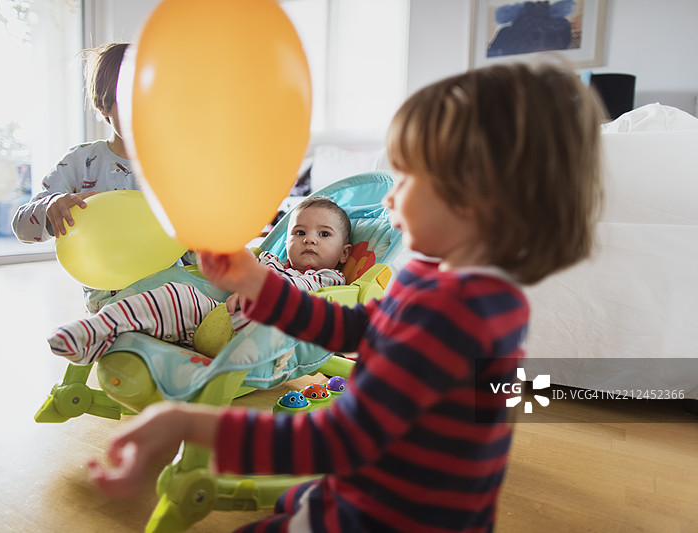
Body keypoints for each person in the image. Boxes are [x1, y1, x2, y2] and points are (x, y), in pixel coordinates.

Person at [87, 62, 605, 532]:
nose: (388, 197)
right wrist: (257, 285)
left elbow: (338, 440)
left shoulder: (456, 318)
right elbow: (355, 328)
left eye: (407, 178)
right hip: (390, 486)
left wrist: (187, 421)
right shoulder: (447, 280)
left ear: (478, 201)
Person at [48, 196, 353, 364]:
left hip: (263, 332)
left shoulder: (328, 278)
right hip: (213, 318)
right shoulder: (269, 260)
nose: (309, 240)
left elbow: (302, 292)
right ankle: (94, 333)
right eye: (299, 233)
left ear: (344, 253)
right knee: (174, 295)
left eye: (324, 234)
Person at [12, 42, 135, 245]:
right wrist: (52, 206)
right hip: (99, 274)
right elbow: (22, 226)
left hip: (171, 276)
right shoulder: (81, 161)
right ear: (103, 106)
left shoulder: (174, 165)